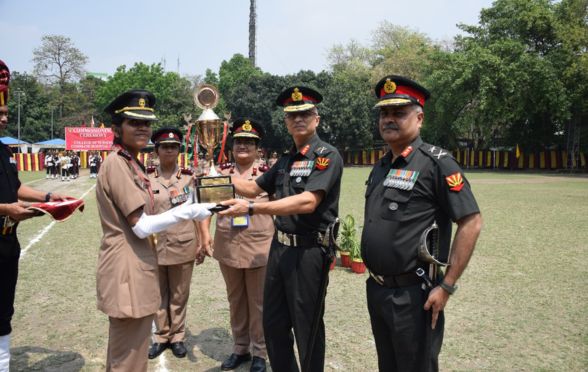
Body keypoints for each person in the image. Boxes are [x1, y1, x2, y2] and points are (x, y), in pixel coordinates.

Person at [361, 75, 483, 371]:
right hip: (377, 288)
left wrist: (447, 286)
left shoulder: (436, 163)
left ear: (419, 117)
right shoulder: (382, 165)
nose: (389, 119)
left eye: (398, 113)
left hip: (415, 294)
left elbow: (472, 222)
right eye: (384, 113)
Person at [219, 86, 343, 372]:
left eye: (305, 113)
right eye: (292, 115)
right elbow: (252, 187)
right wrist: (215, 177)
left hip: (310, 251)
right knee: (273, 323)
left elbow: (308, 201)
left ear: (317, 119)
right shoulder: (285, 161)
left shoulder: (326, 156)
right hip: (279, 249)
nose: (298, 119)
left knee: (306, 326)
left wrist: (252, 209)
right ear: (286, 121)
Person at [95, 90, 213, 371]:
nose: (142, 128)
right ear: (116, 128)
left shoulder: (130, 162)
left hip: (137, 263)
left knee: (130, 355)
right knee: (128, 358)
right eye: (134, 122)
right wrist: (189, 211)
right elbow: (142, 225)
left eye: (146, 123)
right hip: (127, 266)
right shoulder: (118, 164)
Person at [0, 59, 68, 371]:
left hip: (6, 241)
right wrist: (5, 210)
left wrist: (50, 197)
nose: (4, 118)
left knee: (3, 311)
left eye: (4, 113)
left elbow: (16, 188)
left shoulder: (3, 150)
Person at [213, 119, 274, 372]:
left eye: (249, 142)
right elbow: (208, 205)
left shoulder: (268, 174)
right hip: (228, 244)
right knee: (235, 300)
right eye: (239, 142)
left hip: (258, 247)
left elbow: (279, 207)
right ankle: (240, 348)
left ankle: (259, 352)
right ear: (232, 146)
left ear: (258, 148)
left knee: (259, 302)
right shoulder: (219, 172)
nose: (243, 146)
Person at [146, 127, 211, 360]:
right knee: (157, 294)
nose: (170, 151)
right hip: (153, 245)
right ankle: (161, 336)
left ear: (179, 151)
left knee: (179, 294)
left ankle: (178, 337)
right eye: (165, 147)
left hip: (183, 243)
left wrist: (202, 241)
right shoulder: (146, 178)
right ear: (157, 150)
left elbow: (198, 212)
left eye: (174, 147)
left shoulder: (189, 177)